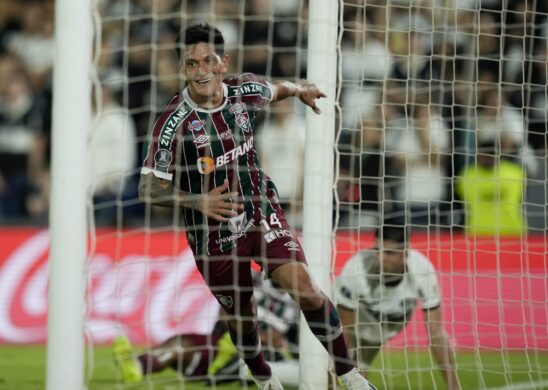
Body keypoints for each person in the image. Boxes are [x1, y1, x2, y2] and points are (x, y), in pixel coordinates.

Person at [138, 23, 376, 390]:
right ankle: (263, 377)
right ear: (182, 68)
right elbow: (148, 188)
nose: (201, 71)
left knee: (305, 287)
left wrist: (301, 91)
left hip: (259, 206)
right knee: (243, 317)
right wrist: (196, 200)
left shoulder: (243, 89)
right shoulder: (172, 122)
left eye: (208, 61)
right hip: (212, 233)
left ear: (223, 62)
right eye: (191, 64)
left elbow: (276, 89)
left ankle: (349, 374)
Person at [113, 271, 302, 387]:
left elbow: (286, 343)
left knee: (186, 348)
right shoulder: (251, 278)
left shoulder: (298, 303)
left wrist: (263, 338)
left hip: (260, 355)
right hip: (225, 341)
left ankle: (228, 364)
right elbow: (225, 310)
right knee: (181, 345)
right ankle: (136, 365)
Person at [335, 224, 460, 390]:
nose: (380, 258)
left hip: (383, 329)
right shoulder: (355, 270)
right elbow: (345, 330)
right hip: (351, 321)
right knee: (334, 368)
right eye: (377, 250)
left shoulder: (423, 271)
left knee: (359, 375)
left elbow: (436, 333)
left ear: (405, 254)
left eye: (389, 253)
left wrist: (454, 386)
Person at [456, 141, 525, 236]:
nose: (488, 158)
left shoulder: (516, 173)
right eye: (485, 155)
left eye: (492, 155)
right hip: (477, 233)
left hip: (512, 232)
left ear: (500, 155)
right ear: (477, 156)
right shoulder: (467, 175)